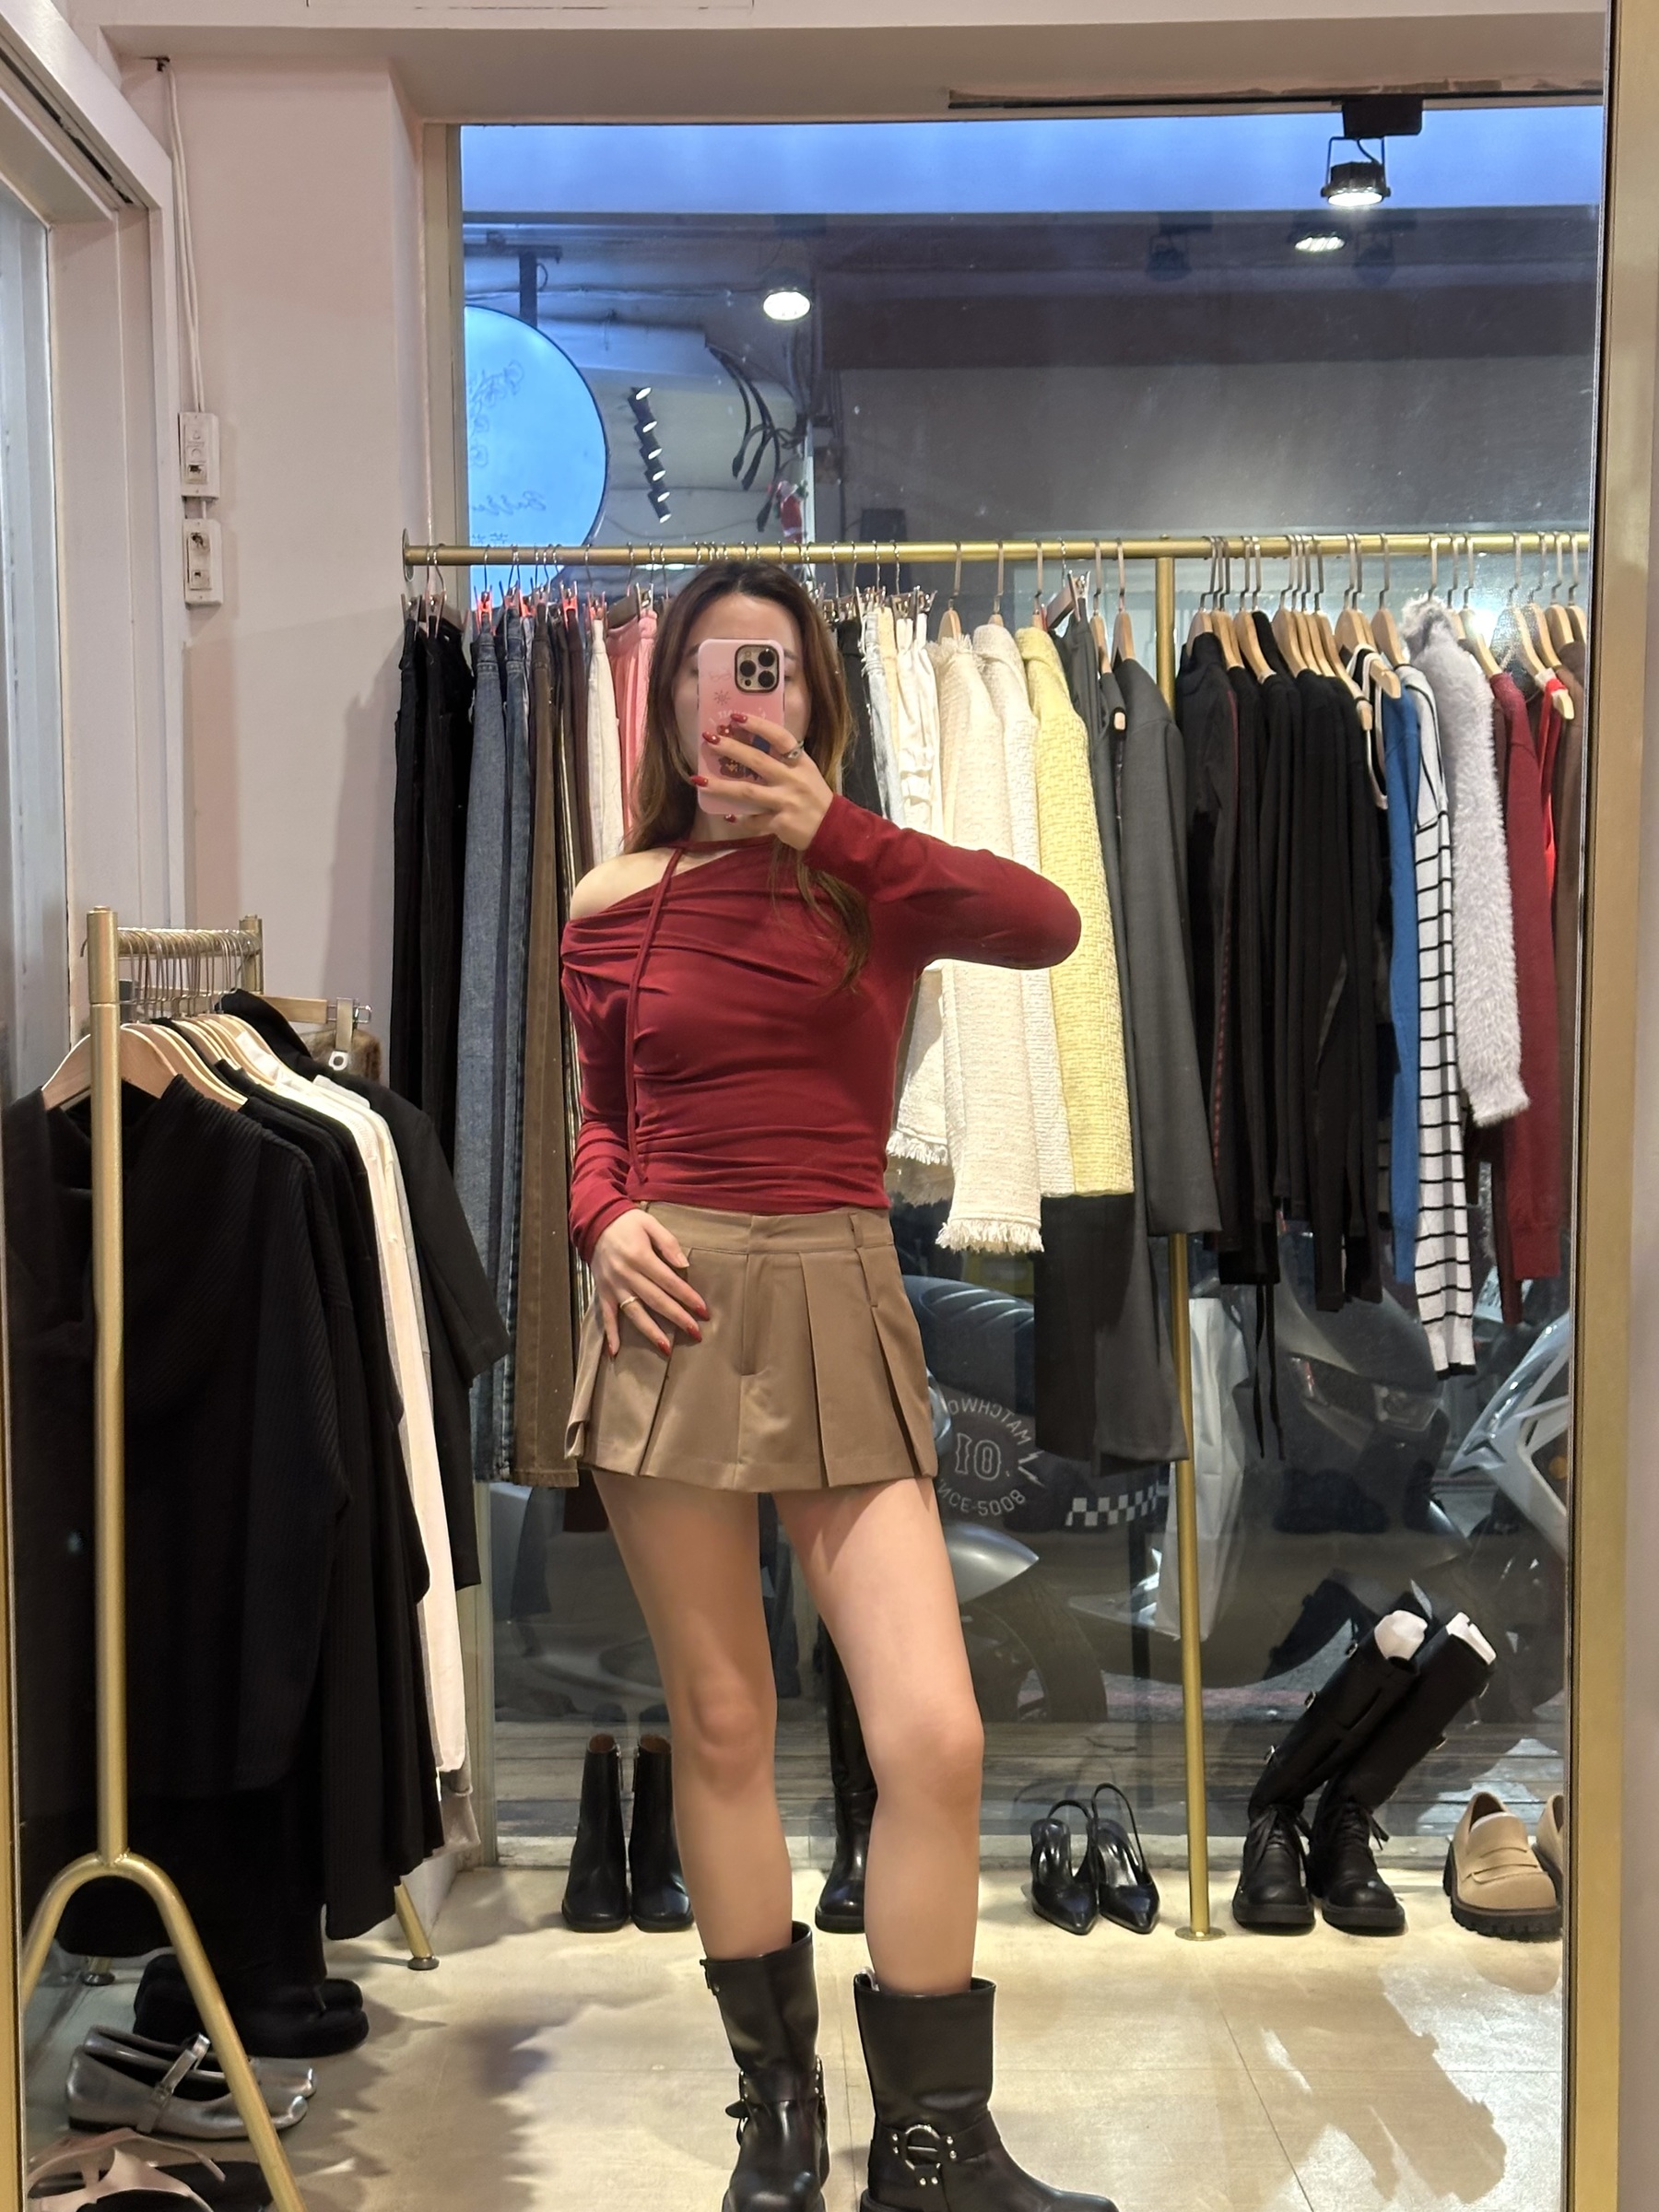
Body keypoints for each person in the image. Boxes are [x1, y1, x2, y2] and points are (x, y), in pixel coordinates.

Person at [559, 560, 1113, 2212]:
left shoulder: (876, 880)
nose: (743, 697)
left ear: (816, 699)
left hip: (842, 1282)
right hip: (670, 1305)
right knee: (724, 1721)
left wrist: (839, 832)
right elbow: (601, 1114)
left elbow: (1050, 923)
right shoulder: (611, 900)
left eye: (775, 670)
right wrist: (600, 1219)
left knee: (932, 1734)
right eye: (715, 668)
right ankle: (781, 2120)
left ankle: (933, 2156)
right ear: (670, 700)